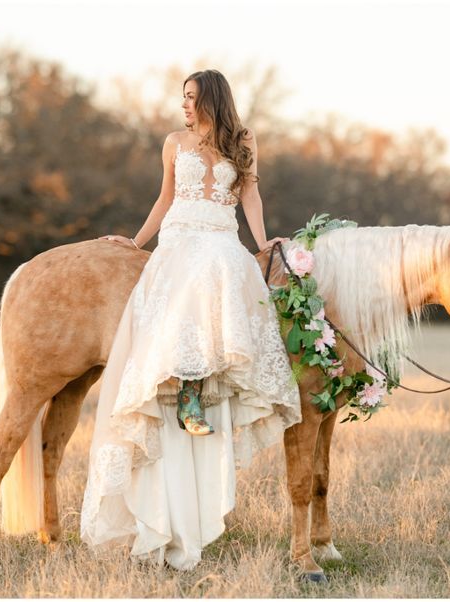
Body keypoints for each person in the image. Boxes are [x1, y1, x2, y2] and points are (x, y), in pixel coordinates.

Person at [80, 69, 302, 570]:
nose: (184, 106)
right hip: (178, 238)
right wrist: (137, 243)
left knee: (223, 263)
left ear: (212, 100)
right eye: (182, 97)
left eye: (192, 98)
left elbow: (249, 196)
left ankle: (196, 389)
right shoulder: (173, 142)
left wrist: (263, 240)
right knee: (192, 275)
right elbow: (165, 198)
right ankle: (182, 386)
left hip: (221, 237)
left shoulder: (243, 142)